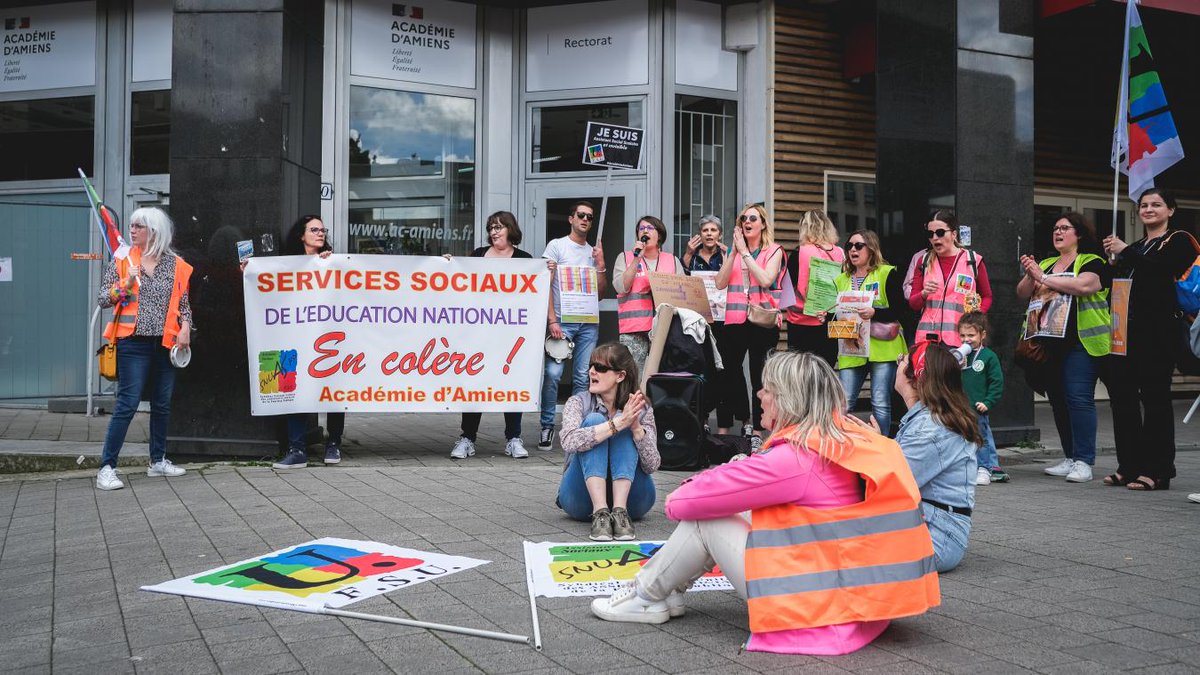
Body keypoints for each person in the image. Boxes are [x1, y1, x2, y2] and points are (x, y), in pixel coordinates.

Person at [589, 351, 939, 655]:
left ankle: (647, 594)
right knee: (729, 508)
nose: (759, 395)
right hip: (850, 603)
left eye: (767, 389)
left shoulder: (797, 458)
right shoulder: (846, 436)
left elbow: (680, 504)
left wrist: (733, 472)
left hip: (812, 607)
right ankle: (670, 590)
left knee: (707, 518)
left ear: (788, 399)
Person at [95, 207, 193, 490]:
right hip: (133, 342)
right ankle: (107, 467)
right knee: (128, 403)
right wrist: (123, 286)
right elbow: (104, 299)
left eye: (139, 226)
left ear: (154, 231)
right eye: (131, 225)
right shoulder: (123, 260)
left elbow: (183, 303)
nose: (132, 230)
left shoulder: (176, 265)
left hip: (166, 343)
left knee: (162, 403)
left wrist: (186, 326)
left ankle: (157, 461)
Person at [1102, 188, 1193, 491]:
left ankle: (1158, 470)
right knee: (1123, 402)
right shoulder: (1139, 245)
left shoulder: (1178, 240)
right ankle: (1129, 466)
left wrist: (1126, 252)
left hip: (1158, 335)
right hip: (1124, 334)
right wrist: (1113, 262)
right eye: (1144, 205)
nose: (1149, 209)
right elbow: (1116, 286)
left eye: (1157, 204)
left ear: (1171, 210)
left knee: (1155, 401)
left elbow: (1162, 273)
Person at [1018, 212, 1111, 485]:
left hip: (1081, 343)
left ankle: (1085, 461)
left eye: (1065, 228)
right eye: (1055, 228)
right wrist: (1030, 274)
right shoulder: (1046, 263)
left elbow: (1084, 286)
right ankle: (1070, 456)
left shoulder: (1092, 261)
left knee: (1078, 399)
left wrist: (1043, 278)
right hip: (1049, 343)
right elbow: (1023, 293)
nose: (1058, 232)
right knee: (1058, 400)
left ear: (1078, 234)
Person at [886, 341, 980, 572]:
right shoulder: (926, 420)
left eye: (902, 361)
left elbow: (892, 485)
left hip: (935, 540)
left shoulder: (929, 429)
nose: (897, 364)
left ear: (913, 377)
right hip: (931, 527)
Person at [450, 211, 533, 460]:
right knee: (475, 384)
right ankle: (467, 437)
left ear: (510, 229)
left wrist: (545, 270)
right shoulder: (478, 255)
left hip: (510, 336)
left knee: (511, 383)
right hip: (479, 335)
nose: (494, 232)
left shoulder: (524, 259)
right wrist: (448, 266)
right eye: (491, 228)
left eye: (499, 227)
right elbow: (461, 283)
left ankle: (514, 438)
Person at [555, 343, 658, 542]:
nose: (592, 371)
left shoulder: (641, 407)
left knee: (627, 428)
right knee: (596, 421)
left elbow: (652, 464)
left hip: (634, 502)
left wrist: (636, 428)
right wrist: (618, 423)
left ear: (620, 376)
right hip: (581, 501)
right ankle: (600, 512)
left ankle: (620, 513)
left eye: (600, 368)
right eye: (591, 366)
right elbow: (568, 441)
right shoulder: (578, 402)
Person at [269, 215, 345, 469]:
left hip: (328, 338)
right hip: (296, 337)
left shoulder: (334, 262)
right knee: (295, 389)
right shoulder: (287, 264)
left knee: (334, 388)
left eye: (323, 230)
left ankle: (333, 443)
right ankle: (297, 448)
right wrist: (251, 273)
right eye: (314, 229)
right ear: (301, 235)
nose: (320, 233)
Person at [714, 203, 785, 443]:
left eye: (753, 218)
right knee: (730, 373)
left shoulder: (774, 250)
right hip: (734, 319)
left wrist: (745, 253)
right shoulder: (733, 251)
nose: (747, 222)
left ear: (763, 224)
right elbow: (720, 283)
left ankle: (757, 429)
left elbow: (766, 278)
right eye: (743, 218)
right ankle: (741, 420)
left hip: (762, 321)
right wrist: (734, 253)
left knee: (759, 375)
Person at [540, 201, 608, 450]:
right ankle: (547, 425)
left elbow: (601, 294)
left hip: (588, 322)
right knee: (553, 374)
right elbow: (545, 285)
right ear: (571, 219)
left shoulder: (593, 252)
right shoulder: (557, 246)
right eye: (581, 215)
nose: (585, 220)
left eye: (590, 217)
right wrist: (552, 320)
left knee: (582, 377)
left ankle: (574, 427)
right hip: (562, 321)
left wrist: (600, 264)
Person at [833, 229, 906, 435]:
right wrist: (826, 314)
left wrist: (875, 312)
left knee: (880, 402)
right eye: (849, 246)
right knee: (844, 402)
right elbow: (838, 311)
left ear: (871, 249)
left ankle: (880, 450)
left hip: (882, 348)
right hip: (851, 347)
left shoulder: (886, 273)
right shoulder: (841, 280)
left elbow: (900, 310)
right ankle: (844, 449)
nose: (852, 250)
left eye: (858, 246)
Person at [683, 215, 743, 430]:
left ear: (719, 234)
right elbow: (683, 281)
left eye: (713, 230)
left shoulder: (725, 255)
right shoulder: (693, 257)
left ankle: (724, 427)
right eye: (705, 230)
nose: (709, 233)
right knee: (703, 371)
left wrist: (730, 255)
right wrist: (688, 253)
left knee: (724, 375)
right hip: (699, 323)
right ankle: (703, 422)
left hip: (723, 323)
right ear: (699, 234)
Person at [908, 210, 993, 347]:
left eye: (940, 233)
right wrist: (923, 294)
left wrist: (978, 313)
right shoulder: (923, 261)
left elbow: (987, 296)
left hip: (962, 339)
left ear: (954, 234)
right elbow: (913, 303)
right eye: (930, 234)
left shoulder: (973, 261)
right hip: (928, 340)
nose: (935, 238)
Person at [613, 215, 683, 372]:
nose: (645, 231)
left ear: (660, 235)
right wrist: (637, 258)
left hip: (664, 329)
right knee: (632, 376)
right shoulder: (625, 257)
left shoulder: (672, 260)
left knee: (661, 376)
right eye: (641, 229)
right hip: (634, 330)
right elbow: (620, 287)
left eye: (650, 228)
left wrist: (658, 288)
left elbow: (682, 294)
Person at [785, 209, 844, 367]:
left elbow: (788, 289)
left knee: (800, 373)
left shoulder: (799, 253)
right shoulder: (840, 253)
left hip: (801, 322)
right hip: (829, 321)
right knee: (825, 371)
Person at [957, 313, 1006, 485]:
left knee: (980, 438)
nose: (966, 339)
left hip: (977, 407)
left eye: (971, 335)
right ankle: (968, 468)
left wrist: (988, 402)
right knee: (961, 439)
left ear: (982, 335)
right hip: (960, 407)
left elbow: (996, 382)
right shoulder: (960, 355)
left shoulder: (988, 356)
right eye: (962, 335)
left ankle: (984, 468)